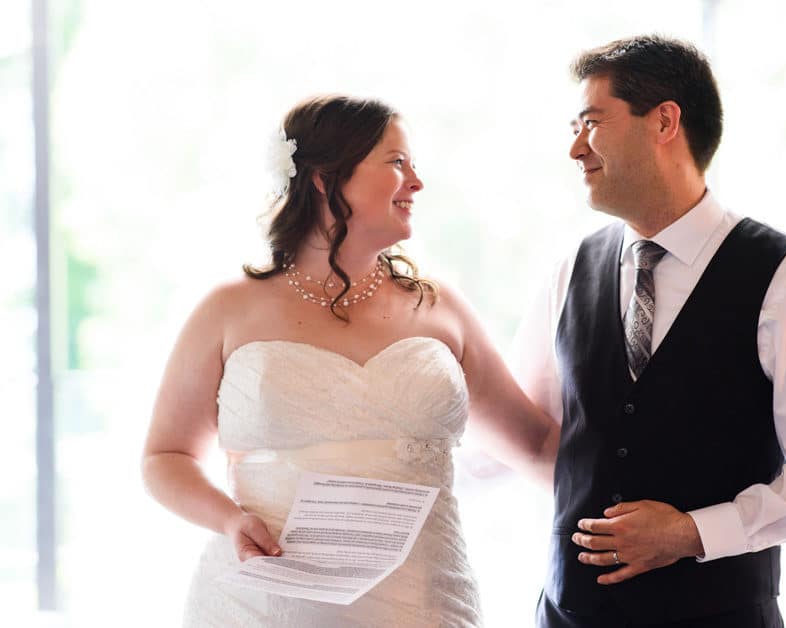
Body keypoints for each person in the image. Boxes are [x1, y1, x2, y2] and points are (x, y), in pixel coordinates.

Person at [141, 94, 559, 627]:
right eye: (396, 162)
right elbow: (164, 457)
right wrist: (228, 520)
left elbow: (538, 443)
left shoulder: (440, 308)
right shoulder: (228, 309)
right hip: (262, 605)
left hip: (422, 603)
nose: (416, 182)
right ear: (324, 179)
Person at [511, 35, 786, 627]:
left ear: (664, 121)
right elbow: (527, 434)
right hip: (568, 615)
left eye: (591, 123)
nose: (576, 148)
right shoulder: (569, 269)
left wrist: (690, 533)